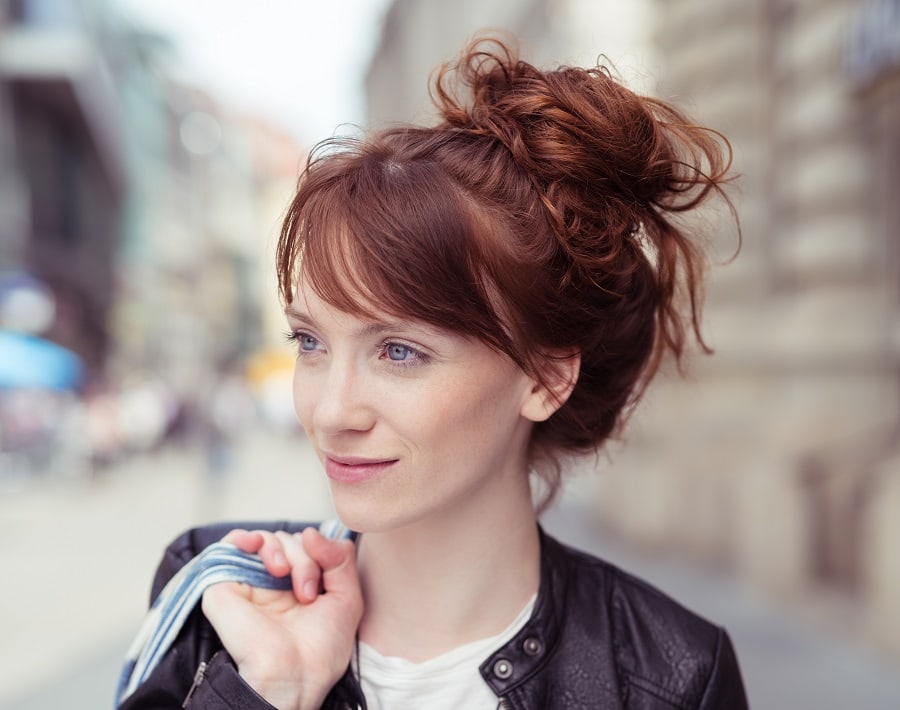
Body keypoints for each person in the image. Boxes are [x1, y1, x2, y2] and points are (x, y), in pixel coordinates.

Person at [118, 36, 748, 709]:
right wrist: (269, 690)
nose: (331, 412)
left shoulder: (668, 675)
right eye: (309, 341)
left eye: (398, 352)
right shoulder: (222, 602)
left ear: (544, 378)